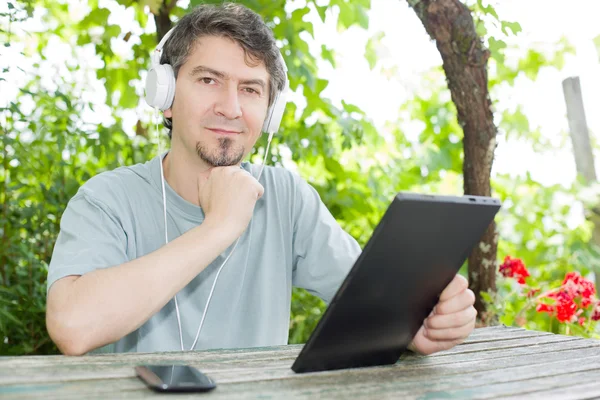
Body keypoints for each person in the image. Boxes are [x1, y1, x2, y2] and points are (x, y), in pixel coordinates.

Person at [45, 3, 476, 356]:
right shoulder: (107, 199)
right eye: (209, 80)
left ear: (270, 114)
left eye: (250, 89)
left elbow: (379, 306)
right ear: (166, 95)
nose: (230, 107)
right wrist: (218, 228)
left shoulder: (286, 197)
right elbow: (72, 327)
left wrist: (423, 323)